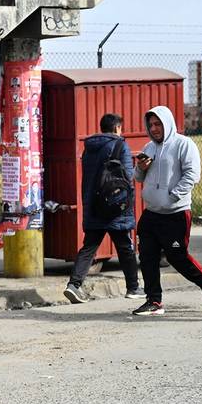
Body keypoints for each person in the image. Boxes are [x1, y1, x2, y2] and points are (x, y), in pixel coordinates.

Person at [131, 106, 202, 316]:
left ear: (167, 123)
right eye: (151, 125)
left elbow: (192, 174)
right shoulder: (149, 147)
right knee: (147, 256)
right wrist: (141, 168)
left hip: (175, 213)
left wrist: (173, 196)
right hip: (151, 213)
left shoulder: (184, 144)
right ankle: (154, 301)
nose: (154, 128)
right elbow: (138, 178)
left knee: (177, 256)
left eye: (158, 124)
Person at [64, 113, 143, 303]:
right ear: (117, 128)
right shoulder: (120, 145)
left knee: (89, 247)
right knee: (125, 248)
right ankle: (133, 287)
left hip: (94, 204)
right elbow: (127, 176)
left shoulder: (88, 149)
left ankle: (74, 285)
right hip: (115, 205)